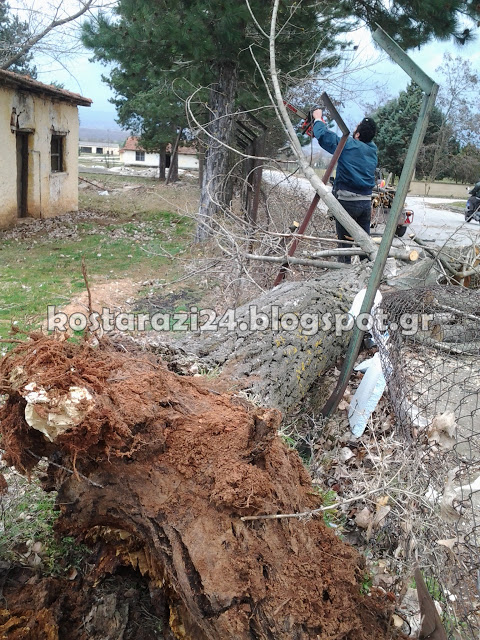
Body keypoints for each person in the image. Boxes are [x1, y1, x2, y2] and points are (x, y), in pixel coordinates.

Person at [312, 109, 377, 263]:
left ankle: (343, 277)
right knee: (365, 246)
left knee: (345, 246)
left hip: (348, 203)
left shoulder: (348, 145)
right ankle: (368, 275)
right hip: (365, 204)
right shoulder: (373, 150)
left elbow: (325, 137)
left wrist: (317, 120)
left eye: (356, 128)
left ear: (358, 135)